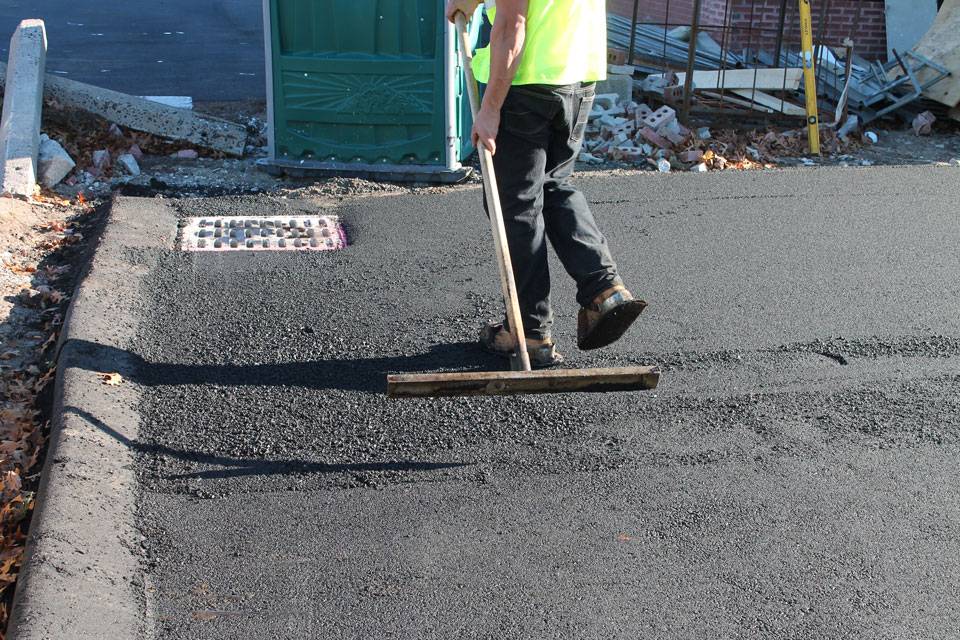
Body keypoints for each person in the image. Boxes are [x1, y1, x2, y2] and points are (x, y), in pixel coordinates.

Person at [446, 0, 647, 368]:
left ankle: (530, 334)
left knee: (515, 205)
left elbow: (512, 25)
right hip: (576, 76)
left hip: (526, 83)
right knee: (554, 185)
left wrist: (490, 109)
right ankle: (605, 290)